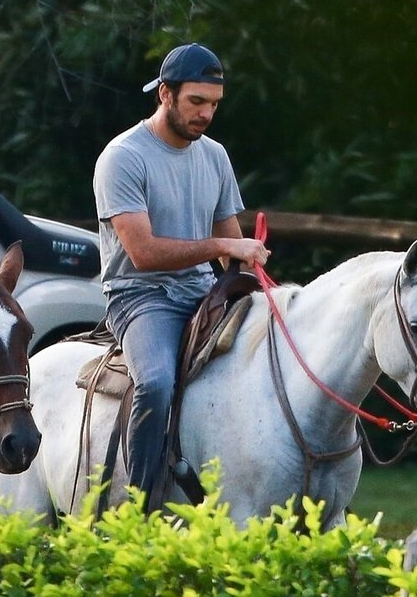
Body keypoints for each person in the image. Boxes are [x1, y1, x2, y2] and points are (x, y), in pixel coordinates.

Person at [92, 42, 269, 512]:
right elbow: (144, 254)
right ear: (165, 94)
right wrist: (221, 247)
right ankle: (140, 506)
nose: (206, 114)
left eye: (213, 105)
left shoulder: (214, 156)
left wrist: (253, 273)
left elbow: (232, 245)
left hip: (201, 291)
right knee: (154, 382)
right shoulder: (123, 157)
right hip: (140, 296)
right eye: (196, 102)